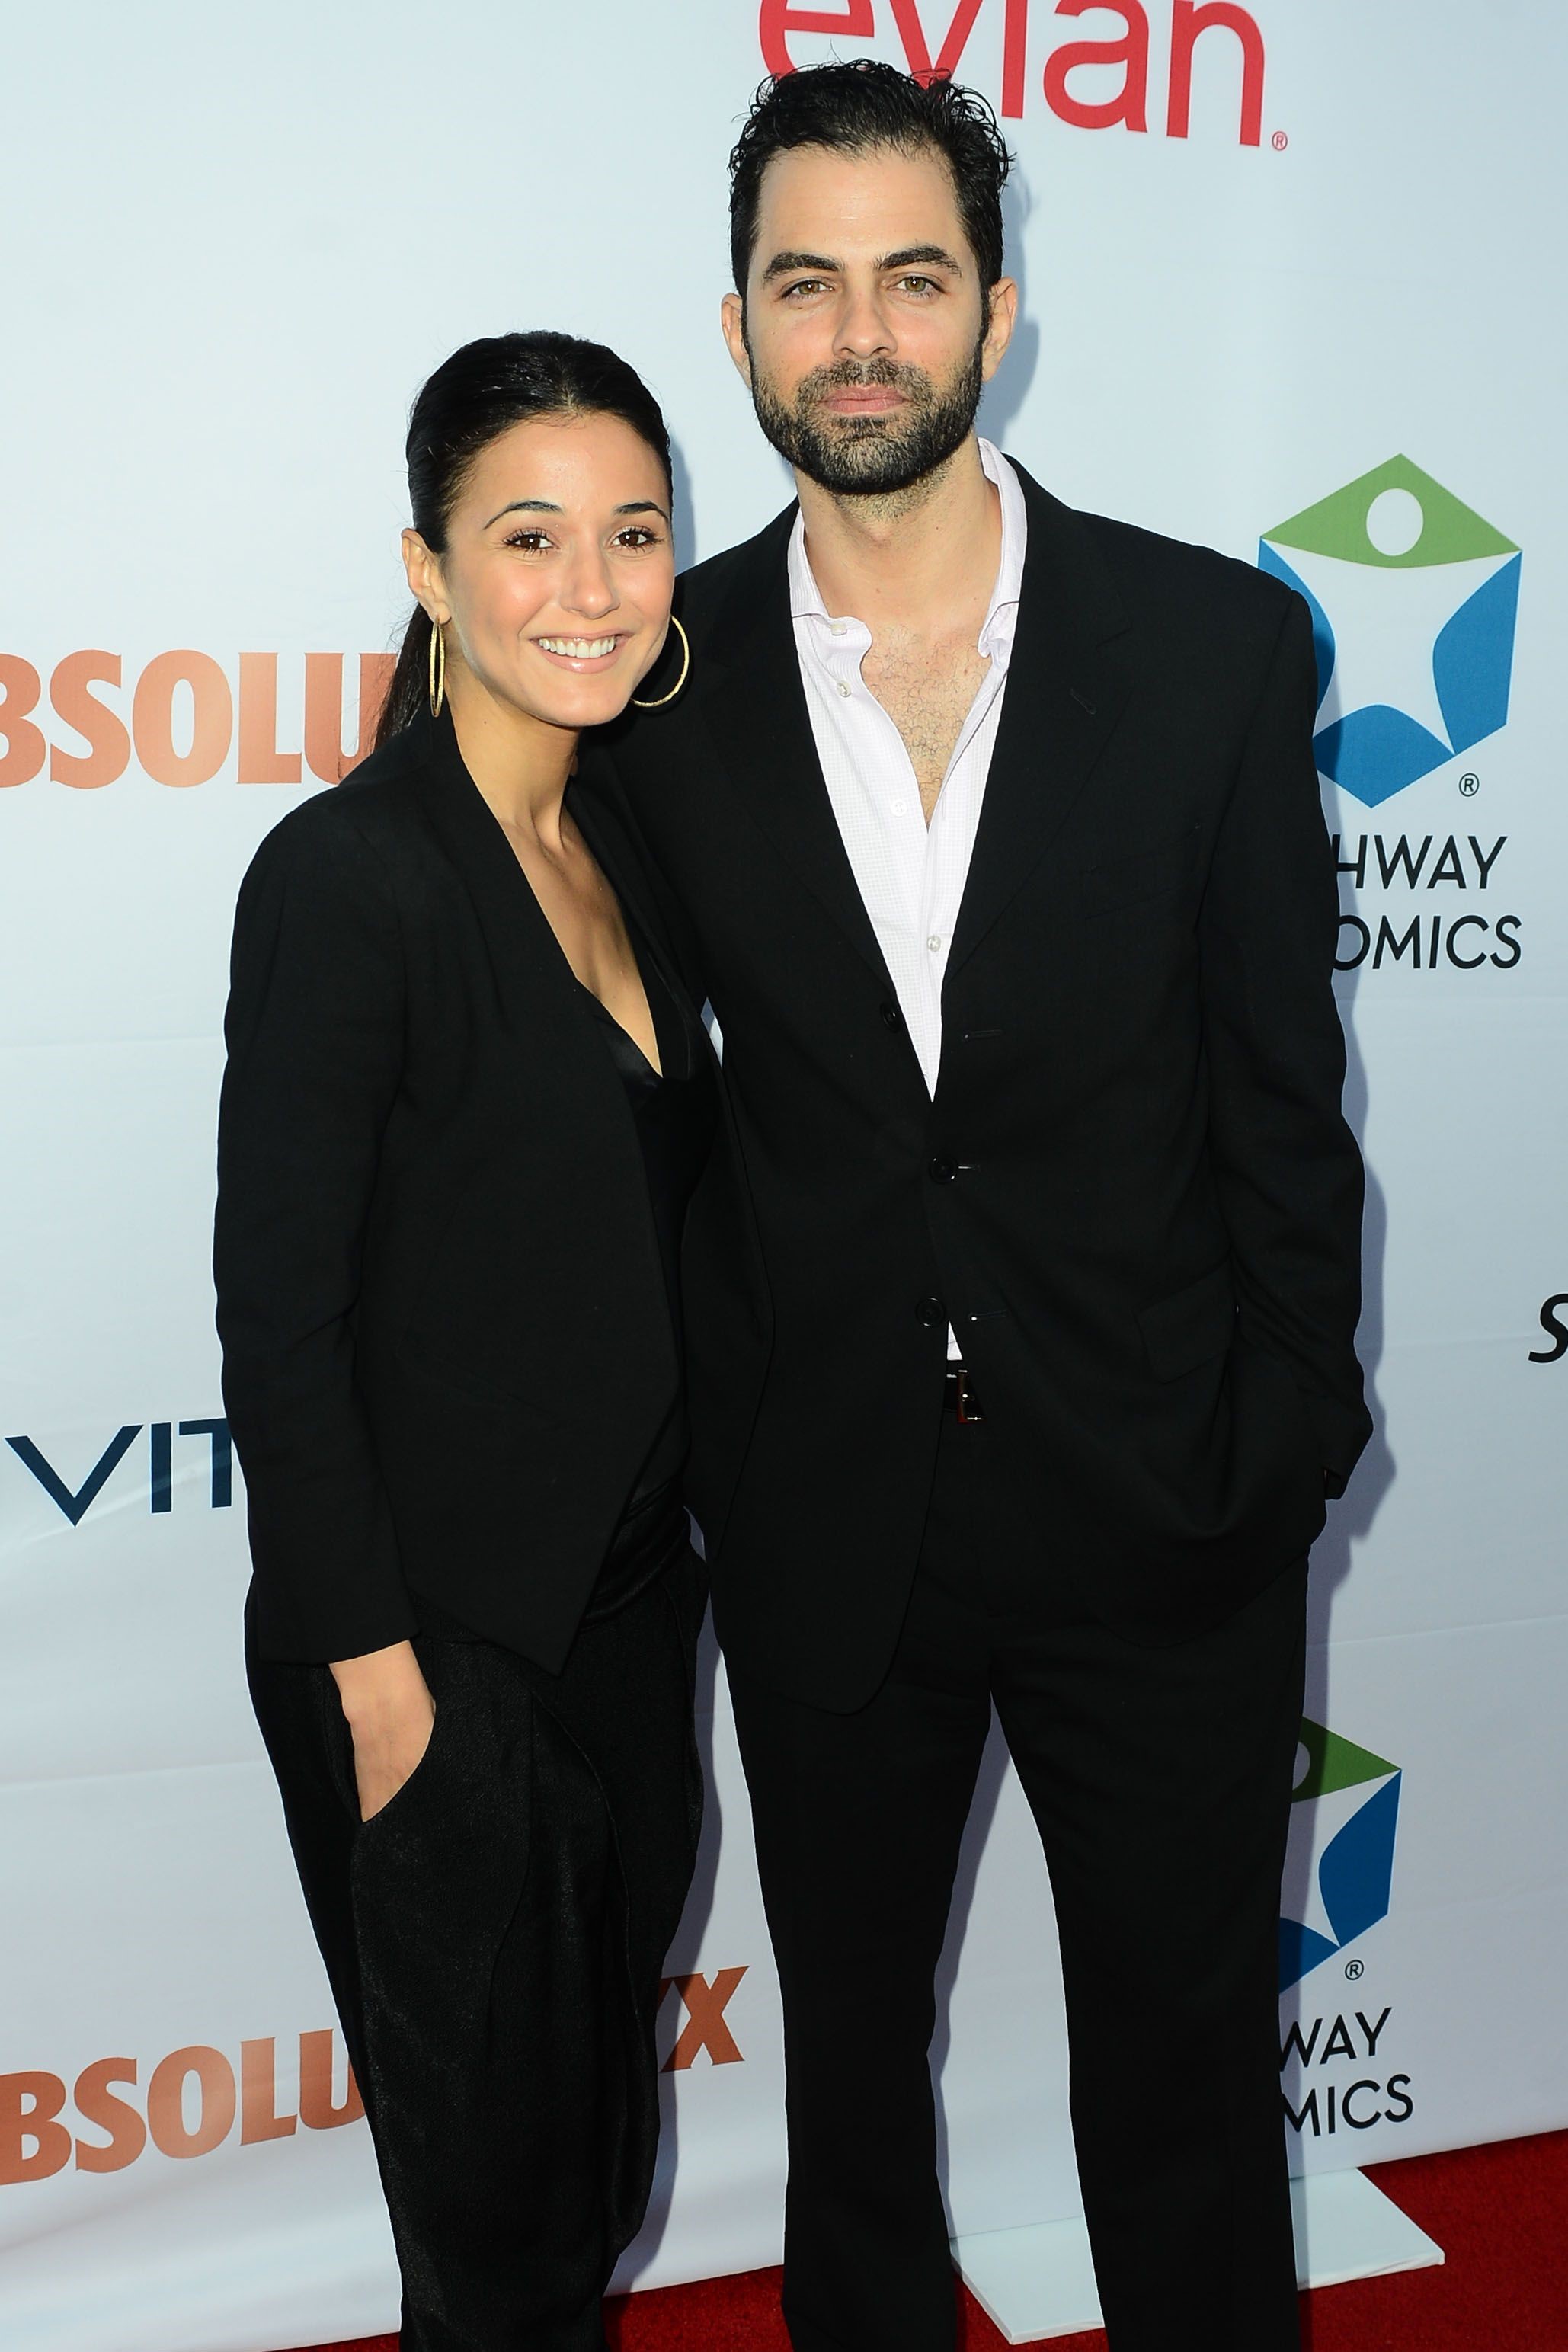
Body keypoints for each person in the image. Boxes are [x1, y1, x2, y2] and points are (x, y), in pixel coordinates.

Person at [584, 63, 1372, 2352]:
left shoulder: (1209, 651)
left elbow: (1276, 1100)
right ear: (733, 331)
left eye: (908, 279)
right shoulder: (654, 681)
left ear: (996, 316)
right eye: (803, 284)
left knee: (1189, 2098)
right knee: (850, 2112)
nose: (858, 334)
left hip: (1163, 1502)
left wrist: (1279, 1447)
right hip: (828, 1508)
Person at [214, 331, 730, 2352]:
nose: (591, 588)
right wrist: (378, 1685)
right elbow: (282, 1308)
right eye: (529, 538)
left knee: (583, 2187)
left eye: (632, 534)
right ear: (429, 568)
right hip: (431, 1650)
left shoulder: (631, 852)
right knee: (499, 2252)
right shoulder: (350, 877)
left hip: (620, 1626)